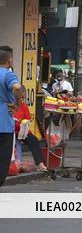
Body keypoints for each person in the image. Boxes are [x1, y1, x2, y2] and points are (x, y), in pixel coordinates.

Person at [1, 45, 25, 188]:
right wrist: (17, 104)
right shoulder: (8, 74)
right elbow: (17, 88)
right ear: (9, 60)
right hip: (3, 123)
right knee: (3, 158)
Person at [13, 100, 45, 173]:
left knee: (33, 140)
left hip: (22, 130)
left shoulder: (23, 105)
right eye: (20, 97)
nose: (21, 99)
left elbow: (28, 118)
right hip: (10, 131)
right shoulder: (8, 104)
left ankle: (40, 164)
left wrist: (23, 123)